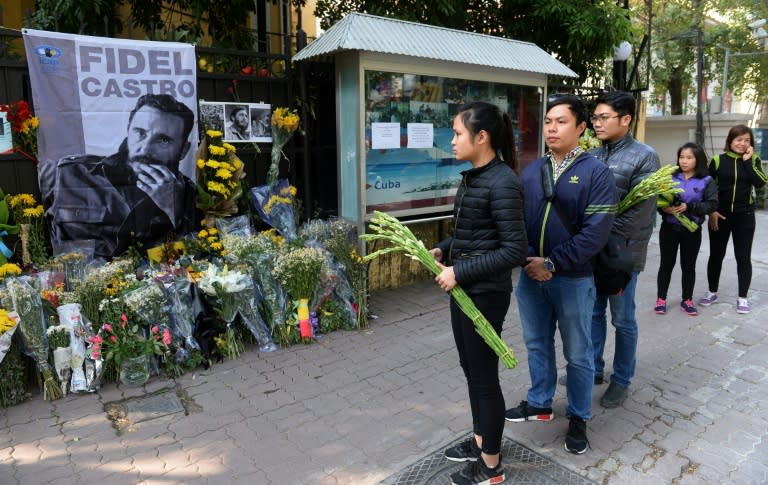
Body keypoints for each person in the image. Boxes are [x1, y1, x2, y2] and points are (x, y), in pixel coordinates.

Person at [504, 94, 616, 455]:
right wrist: (526, 260)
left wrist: (551, 264)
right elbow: (516, 222)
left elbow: (596, 233)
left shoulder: (596, 172)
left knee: (579, 353)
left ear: (581, 128)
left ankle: (579, 417)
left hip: (572, 278)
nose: (552, 128)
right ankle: (539, 402)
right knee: (536, 343)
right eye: (549, 121)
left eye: (561, 121)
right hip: (530, 278)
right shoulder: (532, 170)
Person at [430, 101, 527, 485]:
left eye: (457, 133)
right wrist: (445, 247)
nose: (452, 141)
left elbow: (512, 251)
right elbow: (474, 232)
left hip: (484, 294)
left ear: (481, 137)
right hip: (466, 289)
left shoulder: (503, 181)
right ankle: (481, 440)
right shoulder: (475, 176)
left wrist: (459, 271)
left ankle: (490, 467)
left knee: (484, 378)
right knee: (472, 371)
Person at [46, 93, 196, 260]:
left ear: (183, 150)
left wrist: (173, 210)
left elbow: (190, 259)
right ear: (128, 130)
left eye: (163, 140)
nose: (145, 149)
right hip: (81, 281)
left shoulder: (188, 195)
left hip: (154, 282)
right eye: (140, 133)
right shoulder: (73, 173)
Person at [588, 90, 660, 409]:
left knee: (622, 318)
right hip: (593, 252)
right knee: (592, 313)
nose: (597, 123)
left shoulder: (645, 156)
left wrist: (596, 230)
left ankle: (621, 379)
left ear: (626, 119)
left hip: (622, 254)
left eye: (603, 117)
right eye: (595, 117)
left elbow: (641, 215)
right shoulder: (593, 155)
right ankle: (593, 369)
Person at [699, 124, 767, 314]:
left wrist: (747, 162)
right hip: (720, 216)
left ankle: (742, 298)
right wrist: (711, 211)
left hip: (745, 217)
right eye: (739, 140)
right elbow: (705, 188)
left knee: (743, 258)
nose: (742, 143)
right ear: (730, 141)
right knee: (716, 255)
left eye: (747, 140)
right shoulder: (717, 160)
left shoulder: (754, 160)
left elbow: (760, 183)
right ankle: (712, 291)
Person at [654, 143, 718, 316]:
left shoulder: (706, 180)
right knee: (666, 264)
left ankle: (687, 300)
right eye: (682, 157)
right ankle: (661, 299)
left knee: (688, 266)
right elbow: (658, 200)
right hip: (669, 228)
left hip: (691, 230)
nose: (684, 161)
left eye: (689, 157)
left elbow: (712, 204)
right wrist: (663, 209)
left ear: (698, 159)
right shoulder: (670, 177)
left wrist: (688, 206)